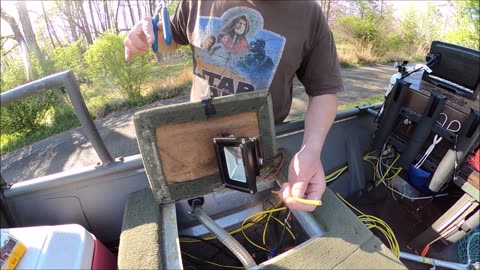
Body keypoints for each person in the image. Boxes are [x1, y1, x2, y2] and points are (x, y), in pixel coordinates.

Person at [124, 1, 343, 212]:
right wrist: (148, 36)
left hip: (262, 152)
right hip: (197, 142)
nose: (239, 26)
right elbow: (172, 37)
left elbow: (324, 91)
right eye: (237, 24)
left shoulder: (309, 14)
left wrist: (311, 151)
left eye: (243, 25)